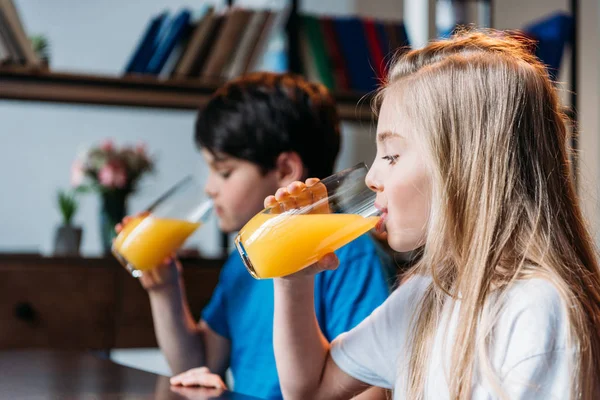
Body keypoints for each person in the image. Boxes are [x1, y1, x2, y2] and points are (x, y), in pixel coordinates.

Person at [267, 31, 600, 399]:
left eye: (392, 156)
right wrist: (292, 279)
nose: (373, 177)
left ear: (465, 169)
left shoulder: (537, 309)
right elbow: (311, 388)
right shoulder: (427, 293)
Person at [119, 72, 391, 399]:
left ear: (285, 171)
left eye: (224, 172)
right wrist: (164, 289)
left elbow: (370, 387)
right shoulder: (243, 261)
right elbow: (202, 362)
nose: (209, 187)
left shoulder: (345, 254)